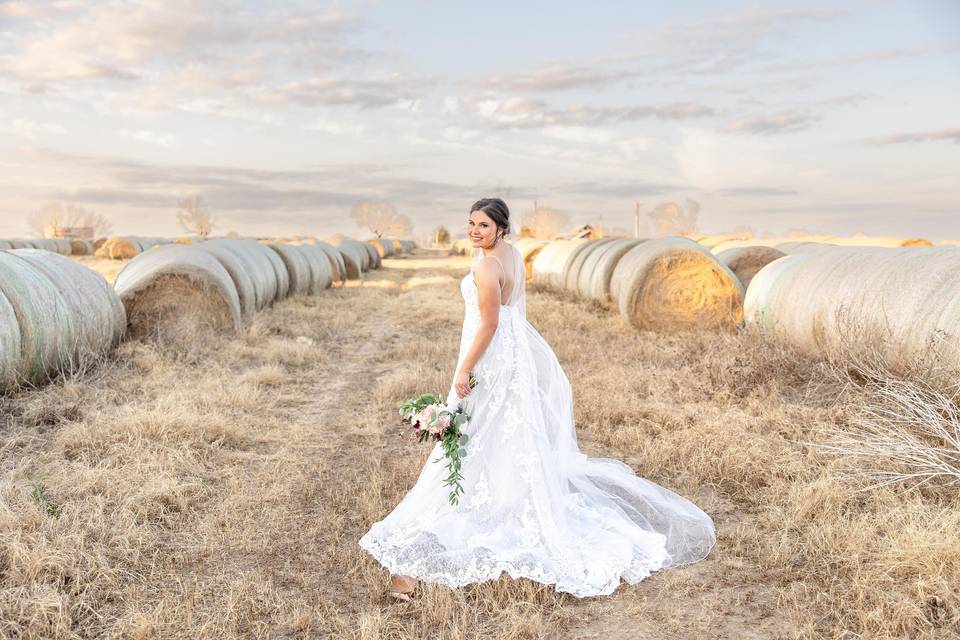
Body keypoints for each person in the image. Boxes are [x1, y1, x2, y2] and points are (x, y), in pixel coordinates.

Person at [358, 198, 716, 602]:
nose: (475, 231)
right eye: (471, 223)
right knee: (502, 433)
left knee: (473, 434)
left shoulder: (486, 265)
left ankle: (467, 508)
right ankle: (502, 498)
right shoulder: (509, 256)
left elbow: (490, 323)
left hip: (490, 358)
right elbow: (507, 317)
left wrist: (464, 369)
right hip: (510, 357)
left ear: (501, 229)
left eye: (483, 226)